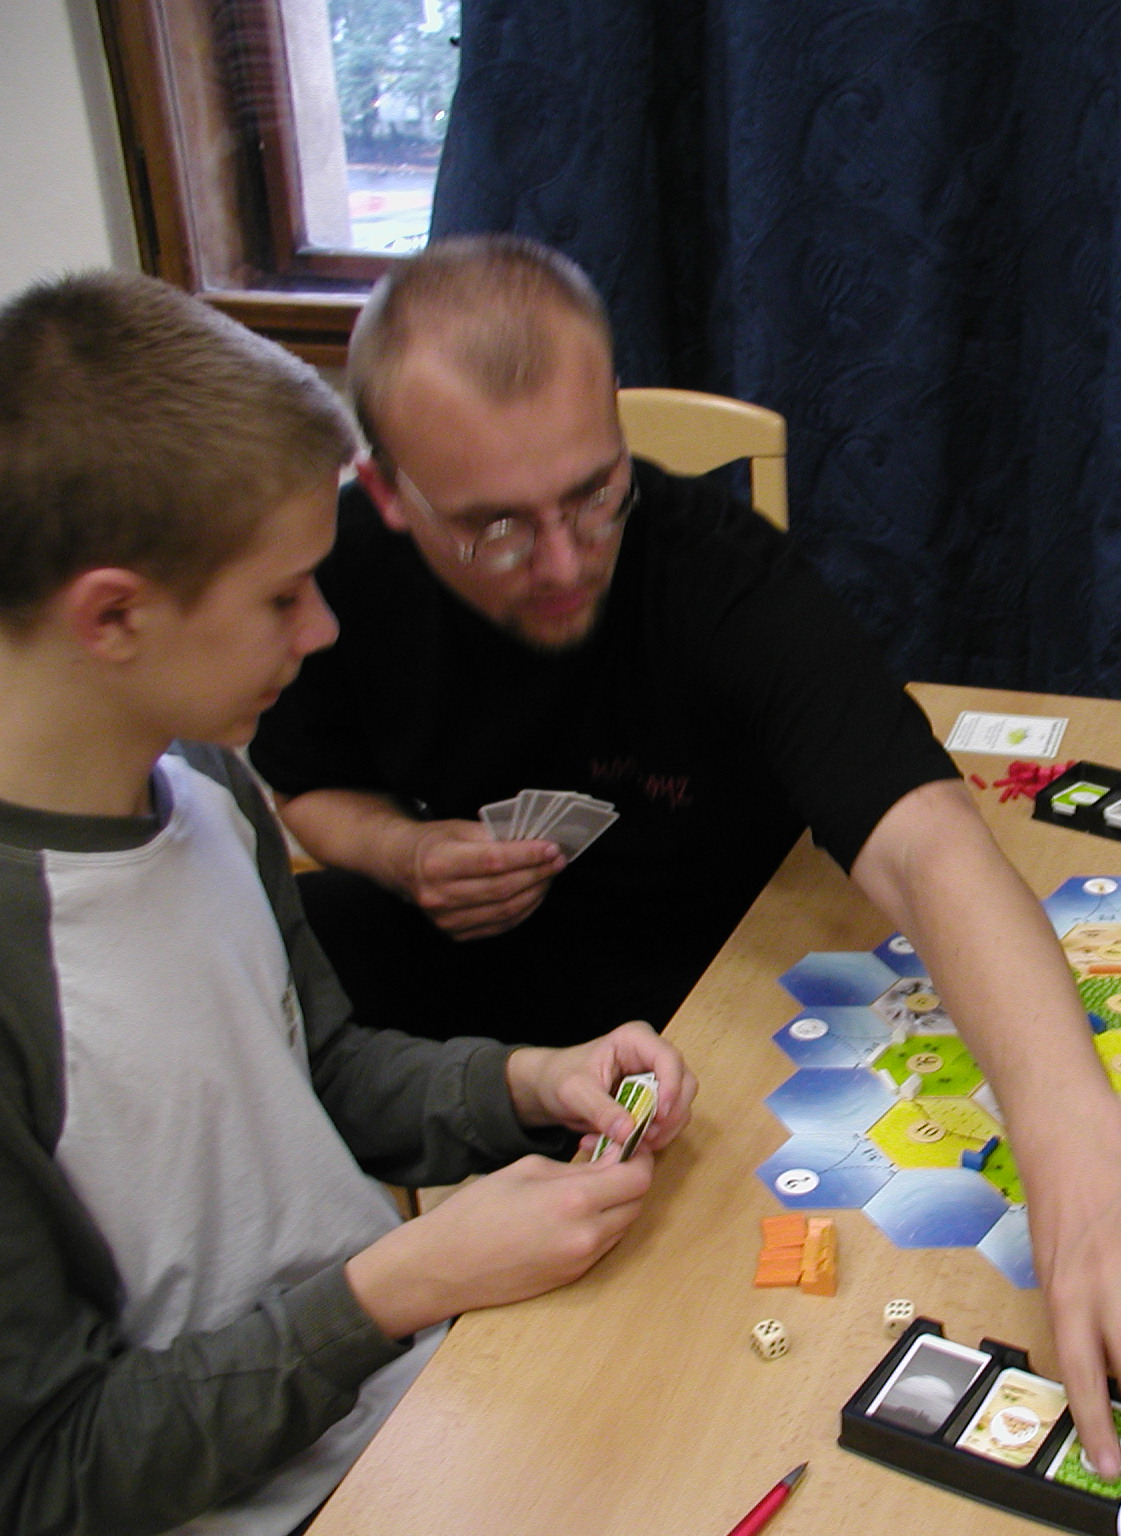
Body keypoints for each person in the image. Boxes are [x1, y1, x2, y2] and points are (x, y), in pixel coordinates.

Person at [245, 235, 1121, 1471]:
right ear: (387, 494)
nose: (563, 562)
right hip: (487, 1004)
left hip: (720, 987)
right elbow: (303, 784)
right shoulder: (327, 575)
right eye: (496, 528)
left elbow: (926, 842)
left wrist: (1076, 1147)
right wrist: (396, 851)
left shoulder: (713, 568)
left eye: (592, 494)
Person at [0, 272, 698, 1535]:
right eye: (281, 595)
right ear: (113, 615)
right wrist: (396, 1285)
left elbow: (315, 1068)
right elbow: (48, 1473)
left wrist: (530, 1083)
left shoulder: (203, 783)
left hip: (410, 1396)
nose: (323, 629)